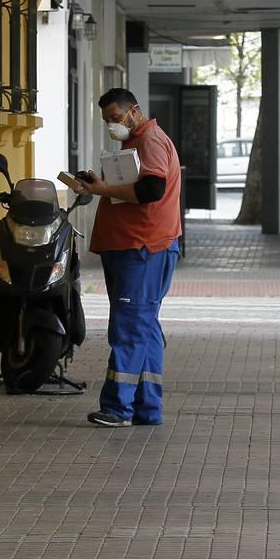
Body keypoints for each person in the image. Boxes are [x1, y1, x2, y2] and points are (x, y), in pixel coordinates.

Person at [75, 88, 182, 427]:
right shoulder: (133, 143)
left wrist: (104, 190)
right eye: (107, 120)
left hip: (143, 248)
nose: (112, 125)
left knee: (130, 327)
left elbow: (152, 190)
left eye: (116, 118)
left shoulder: (150, 141)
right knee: (145, 326)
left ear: (134, 111)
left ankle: (118, 408)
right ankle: (147, 408)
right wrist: (99, 185)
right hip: (133, 248)